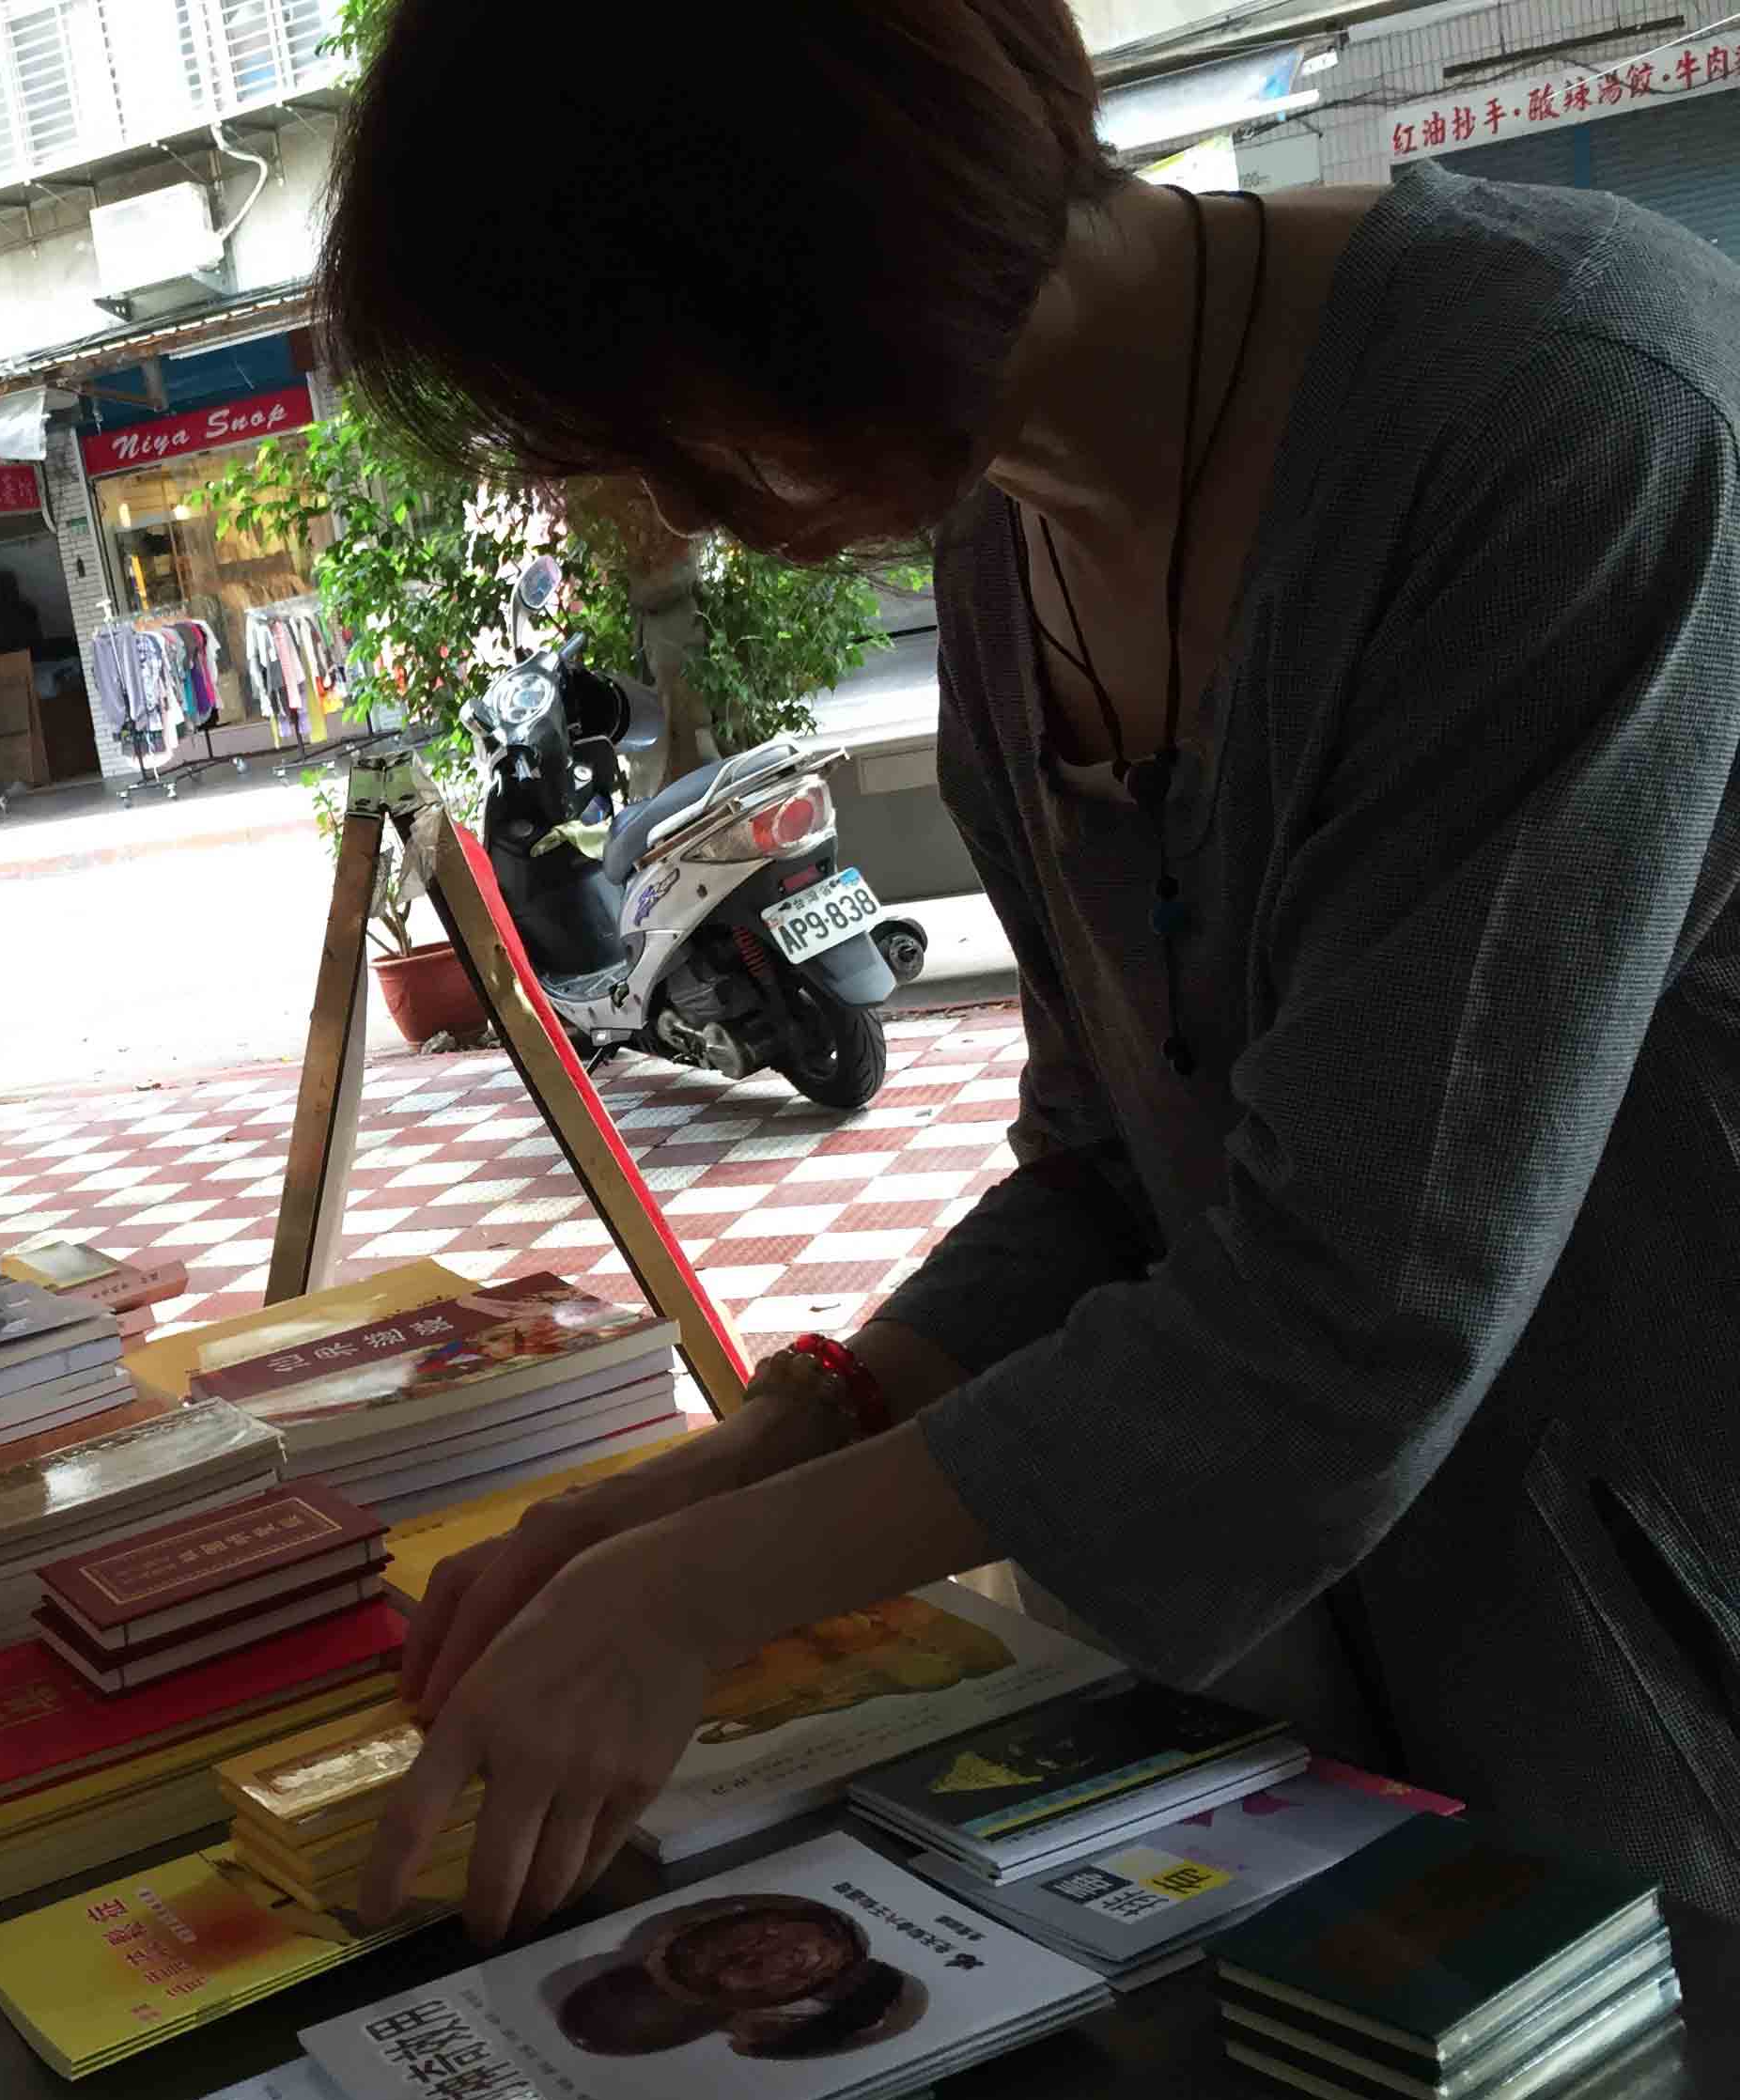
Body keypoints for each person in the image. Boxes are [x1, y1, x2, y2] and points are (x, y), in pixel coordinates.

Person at [321, 0, 1740, 1938]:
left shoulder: (1566, 418)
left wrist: (693, 1596)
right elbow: (1108, 1173)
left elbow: (1350, 1307)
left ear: (816, 243)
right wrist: (737, 1468)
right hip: (1333, 1723)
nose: (666, 509)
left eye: (664, 419)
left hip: (1663, 1660)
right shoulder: (1013, 540)